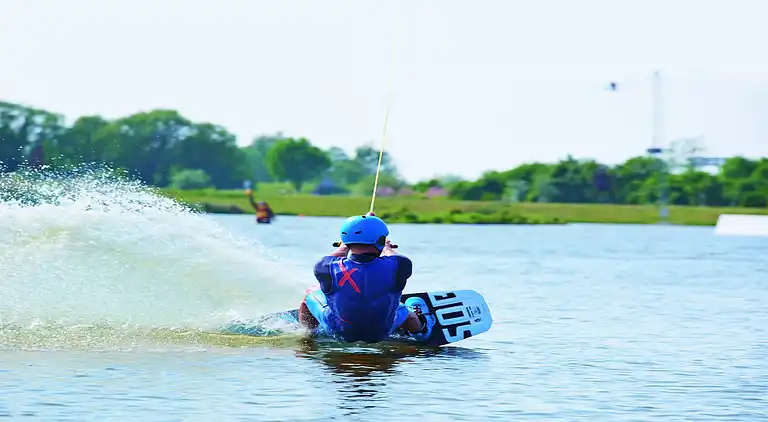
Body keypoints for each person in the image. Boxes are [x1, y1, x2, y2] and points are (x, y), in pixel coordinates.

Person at [298, 213, 436, 343]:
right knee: (407, 312)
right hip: (381, 332)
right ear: (380, 240)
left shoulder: (325, 266)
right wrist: (386, 246)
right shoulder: (400, 265)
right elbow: (392, 256)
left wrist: (350, 240)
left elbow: (335, 255)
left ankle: (309, 332)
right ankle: (422, 332)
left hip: (338, 331)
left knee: (310, 293)